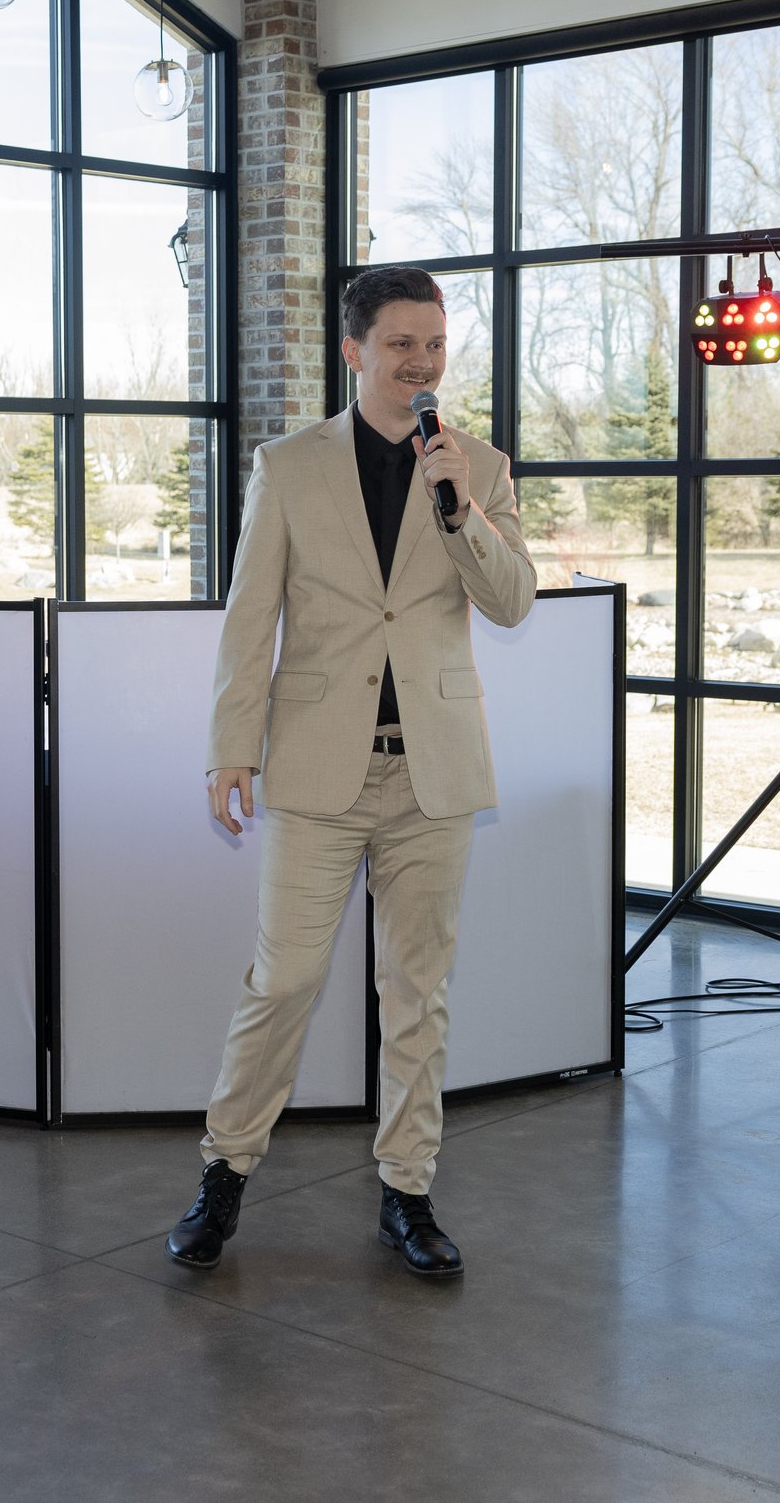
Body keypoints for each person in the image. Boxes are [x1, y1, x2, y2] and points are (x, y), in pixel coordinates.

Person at [166, 264, 540, 1279]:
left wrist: (460, 507)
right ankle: (225, 1171)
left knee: (416, 988)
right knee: (281, 977)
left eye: (433, 343)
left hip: (433, 772)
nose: (419, 363)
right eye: (399, 345)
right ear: (355, 351)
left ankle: (406, 1190)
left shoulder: (480, 464)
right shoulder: (288, 465)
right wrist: (228, 746)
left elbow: (512, 602)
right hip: (315, 771)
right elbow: (251, 617)